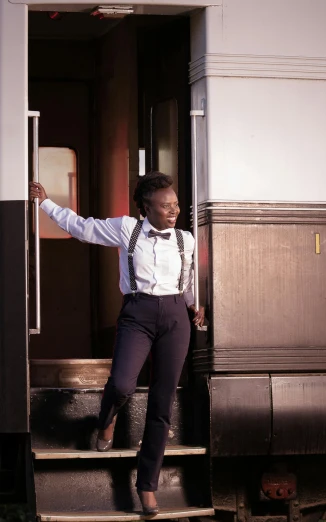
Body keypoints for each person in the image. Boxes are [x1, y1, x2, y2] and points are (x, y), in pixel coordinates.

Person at [29, 172, 205, 516]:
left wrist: (194, 304)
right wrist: (46, 202)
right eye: (166, 205)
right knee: (123, 384)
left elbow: (187, 281)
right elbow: (82, 227)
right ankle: (107, 418)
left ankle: (147, 487)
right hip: (137, 312)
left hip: (174, 318)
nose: (174, 210)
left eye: (176, 204)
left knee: (162, 403)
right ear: (146, 207)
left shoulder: (186, 239)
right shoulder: (127, 229)